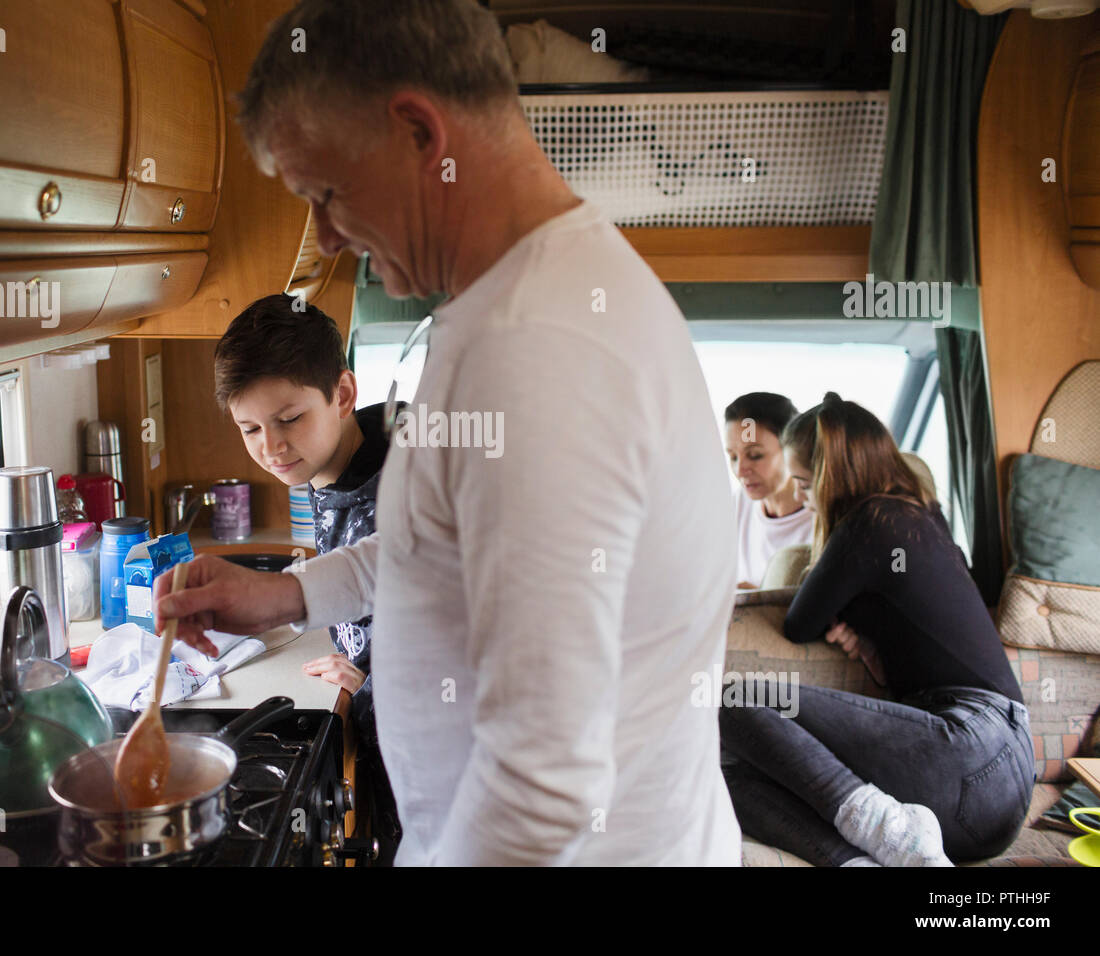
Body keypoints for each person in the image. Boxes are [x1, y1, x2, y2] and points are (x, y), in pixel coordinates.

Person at [155, 0, 740, 865]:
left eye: (326, 193)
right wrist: (292, 596)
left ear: (419, 133)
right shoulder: (520, 300)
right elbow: (449, 542)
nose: (327, 237)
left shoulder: (536, 349)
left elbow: (544, 781)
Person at [719, 393, 1033, 866]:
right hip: (986, 798)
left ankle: (893, 833)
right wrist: (864, 624)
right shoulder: (917, 512)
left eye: (805, 484)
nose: (802, 498)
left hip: (974, 744)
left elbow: (800, 622)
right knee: (732, 782)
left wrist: (846, 613)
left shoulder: (871, 521)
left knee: (733, 699)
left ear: (830, 478)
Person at [211, 292, 402, 862]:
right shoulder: (338, 460)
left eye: (289, 419)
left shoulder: (415, 473)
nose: (271, 448)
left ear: (342, 395)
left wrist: (376, 686)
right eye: (249, 429)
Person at [723, 392, 813, 588]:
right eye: (733, 457)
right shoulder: (740, 503)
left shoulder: (822, 518)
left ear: (792, 450)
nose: (740, 470)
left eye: (755, 455)